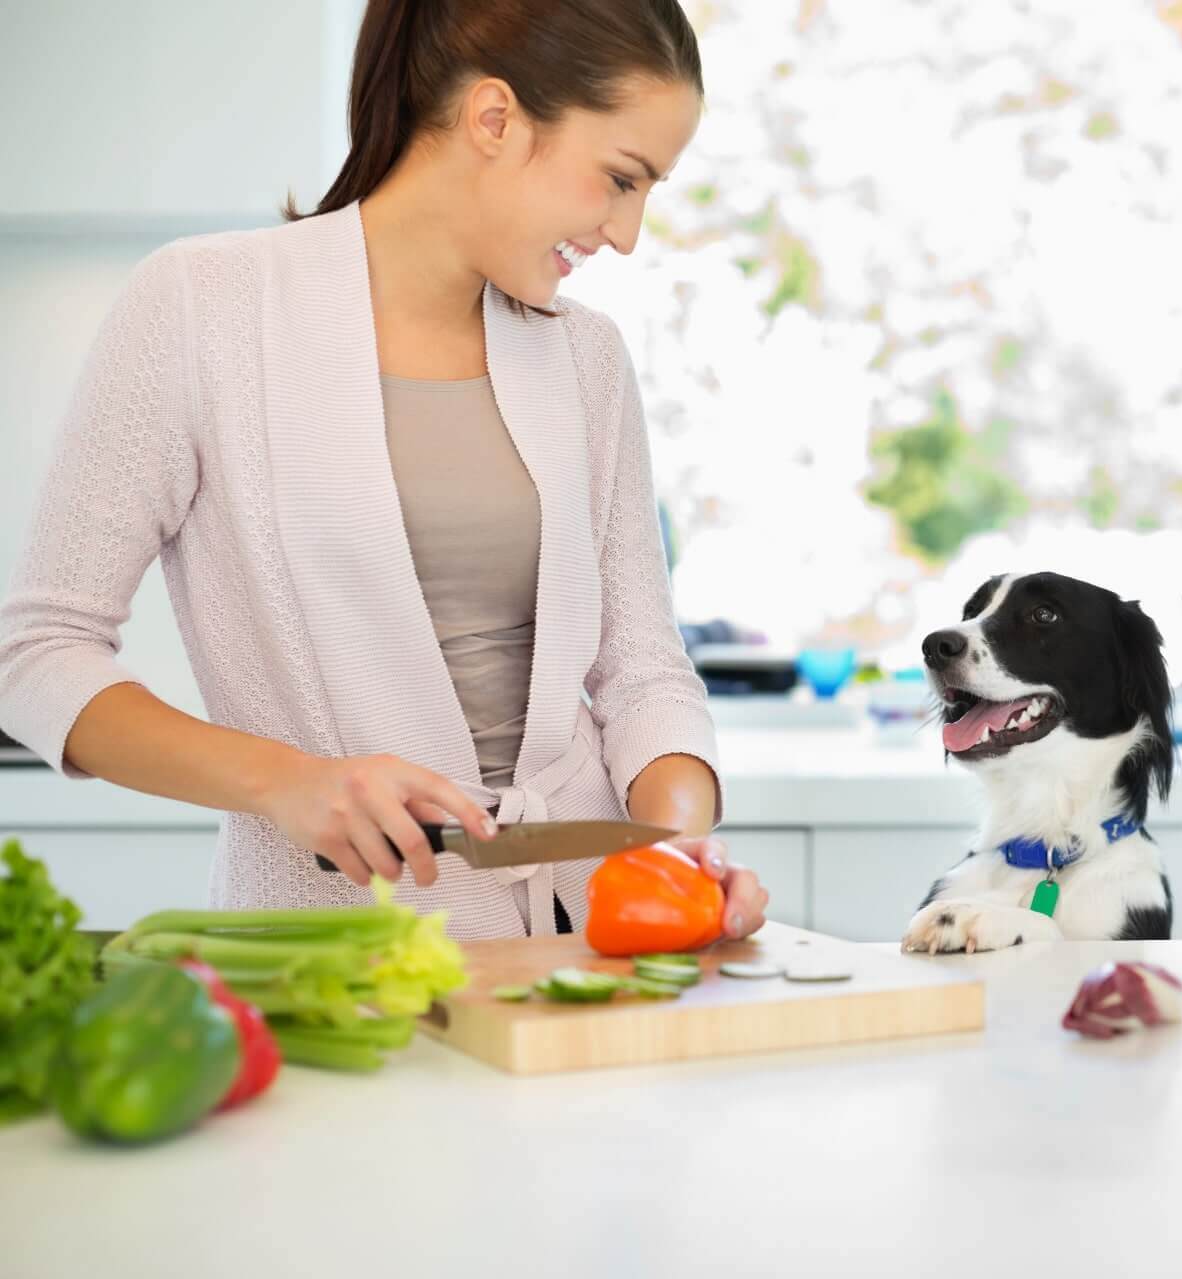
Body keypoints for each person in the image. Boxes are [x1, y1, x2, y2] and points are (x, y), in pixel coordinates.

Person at [0, 0, 768, 942]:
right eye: (619, 178)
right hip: (337, 952)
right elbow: (37, 655)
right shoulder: (204, 307)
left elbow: (644, 671)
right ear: (495, 120)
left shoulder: (586, 360)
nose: (627, 232)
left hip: (589, 933)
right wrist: (290, 783)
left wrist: (677, 847)